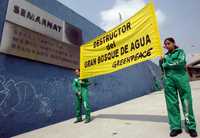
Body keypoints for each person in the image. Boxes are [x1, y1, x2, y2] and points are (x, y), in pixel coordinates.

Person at [160, 37, 198, 137]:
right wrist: (161, 62)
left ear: (173, 43)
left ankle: (191, 127)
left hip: (181, 80)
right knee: (172, 105)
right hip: (169, 82)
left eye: (168, 43)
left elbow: (180, 63)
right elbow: (163, 69)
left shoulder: (180, 52)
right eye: (165, 44)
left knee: (186, 102)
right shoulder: (165, 56)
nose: (167, 46)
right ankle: (176, 127)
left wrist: (165, 64)